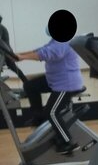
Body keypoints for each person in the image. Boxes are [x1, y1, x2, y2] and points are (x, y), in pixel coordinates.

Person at [16, 26, 84, 154]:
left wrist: (22, 57)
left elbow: (45, 54)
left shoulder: (63, 41)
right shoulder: (55, 40)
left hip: (66, 84)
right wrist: (18, 55)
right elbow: (40, 49)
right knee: (30, 86)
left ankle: (68, 142)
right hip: (54, 80)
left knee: (51, 112)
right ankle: (38, 117)